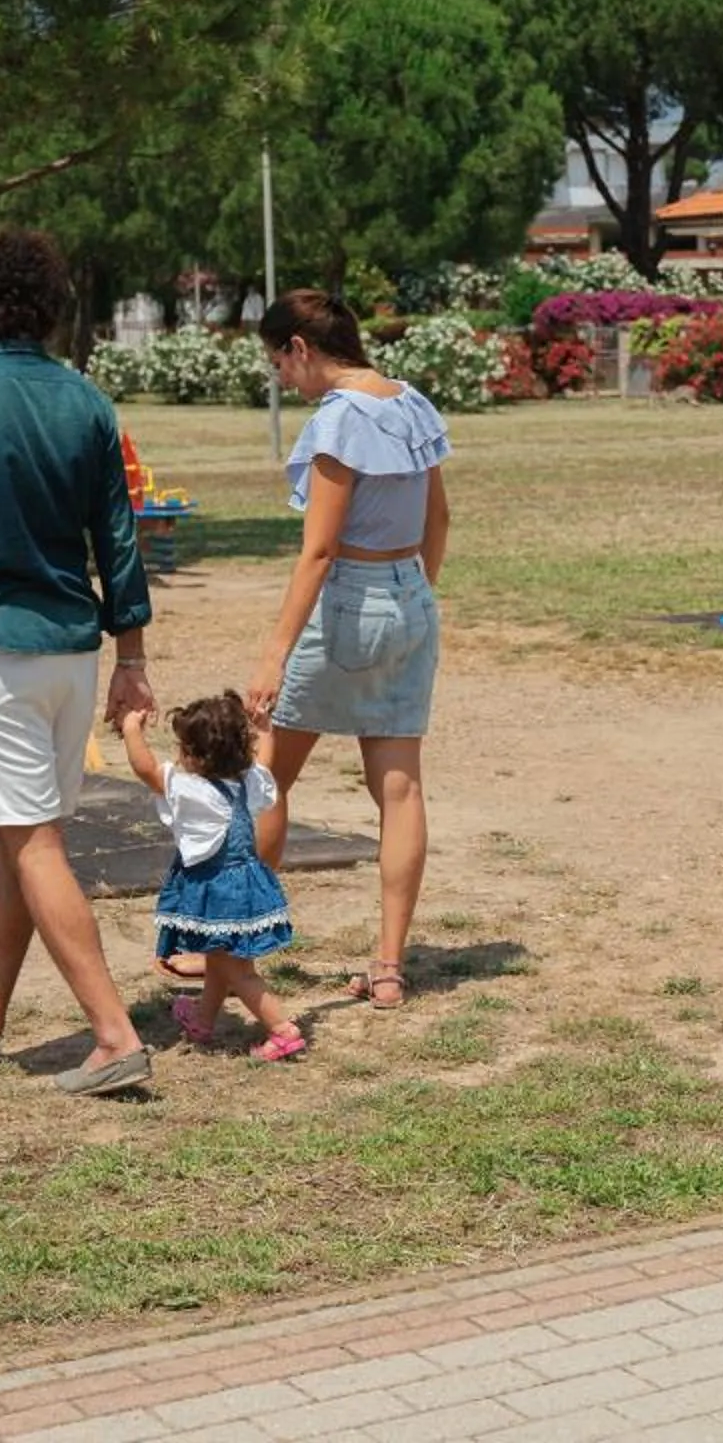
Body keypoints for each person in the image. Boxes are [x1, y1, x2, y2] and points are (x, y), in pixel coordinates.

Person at [0, 228, 157, 1098]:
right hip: (72, 656)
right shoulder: (88, 401)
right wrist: (131, 654)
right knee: (20, 837)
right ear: (51, 305)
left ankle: (113, 1034)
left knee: (32, 839)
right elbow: (117, 536)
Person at [241, 289, 449, 1011]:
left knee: (266, 777)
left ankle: (239, 948)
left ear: (301, 347)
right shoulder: (411, 400)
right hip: (411, 597)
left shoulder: (340, 420)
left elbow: (320, 550)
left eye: (278, 363)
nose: (283, 381)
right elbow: (438, 517)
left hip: (350, 602)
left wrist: (272, 656)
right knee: (400, 790)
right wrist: (413, 594)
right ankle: (389, 966)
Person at [118, 691, 306, 1061]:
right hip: (247, 886)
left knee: (239, 971)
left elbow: (145, 769)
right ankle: (203, 1020)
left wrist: (130, 729)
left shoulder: (190, 790)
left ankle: (283, 1031)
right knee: (220, 957)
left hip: (218, 893)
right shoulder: (247, 783)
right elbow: (266, 765)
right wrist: (266, 730)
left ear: (194, 754)